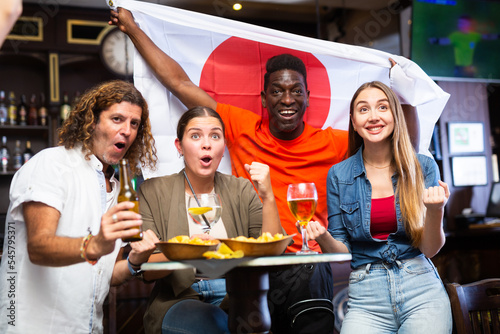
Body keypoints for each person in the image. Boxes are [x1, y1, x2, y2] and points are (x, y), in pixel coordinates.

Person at [109, 8, 420, 333]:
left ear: (308, 98)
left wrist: (405, 91)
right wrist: (132, 28)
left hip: (308, 264)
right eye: (277, 91)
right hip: (258, 266)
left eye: (296, 91)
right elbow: (178, 82)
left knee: (310, 279)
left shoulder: (334, 142)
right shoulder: (243, 127)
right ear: (263, 98)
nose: (287, 99)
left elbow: (398, 147)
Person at [0, 80, 159, 333]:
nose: (127, 130)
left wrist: (135, 262)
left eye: (134, 124)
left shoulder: (117, 188)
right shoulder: (52, 164)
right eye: (117, 119)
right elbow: (38, 247)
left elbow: (105, 275)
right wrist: (95, 243)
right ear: (92, 121)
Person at [306, 81, 452, 333]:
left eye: (382, 107)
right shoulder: (338, 175)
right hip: (366, 297)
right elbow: (342, 251)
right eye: (364, 110)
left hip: (422, 290)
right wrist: (323, 237)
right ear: (353, 121)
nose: (373, 117)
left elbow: (429, 249)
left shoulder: (423, 167)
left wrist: (436, 210)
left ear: (394, 114)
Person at [137, 106, 282, 334]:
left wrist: (268, 197)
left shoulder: (241, 188)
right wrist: (187, 250)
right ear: (179, 147)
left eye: (215, 136)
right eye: (195, 136)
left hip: (235, 292)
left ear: (223, 147)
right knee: (220, 326)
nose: (207, 144)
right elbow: (147, 269)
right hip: (178, 300)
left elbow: (271, 250)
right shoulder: (153, 191)